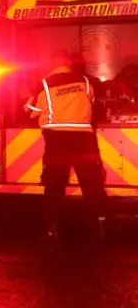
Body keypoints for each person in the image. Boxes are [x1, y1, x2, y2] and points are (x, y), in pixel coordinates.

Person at [25, 49, 108, 240]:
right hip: (84, 139)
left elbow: (32, 111)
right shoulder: (86, 82)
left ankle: (52, 227)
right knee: (91, 183)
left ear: (52, 64)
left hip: (57, 139)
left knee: (54, 183)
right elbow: (91, 101)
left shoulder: (44, 84)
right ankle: (100, 223)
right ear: (69, 64)